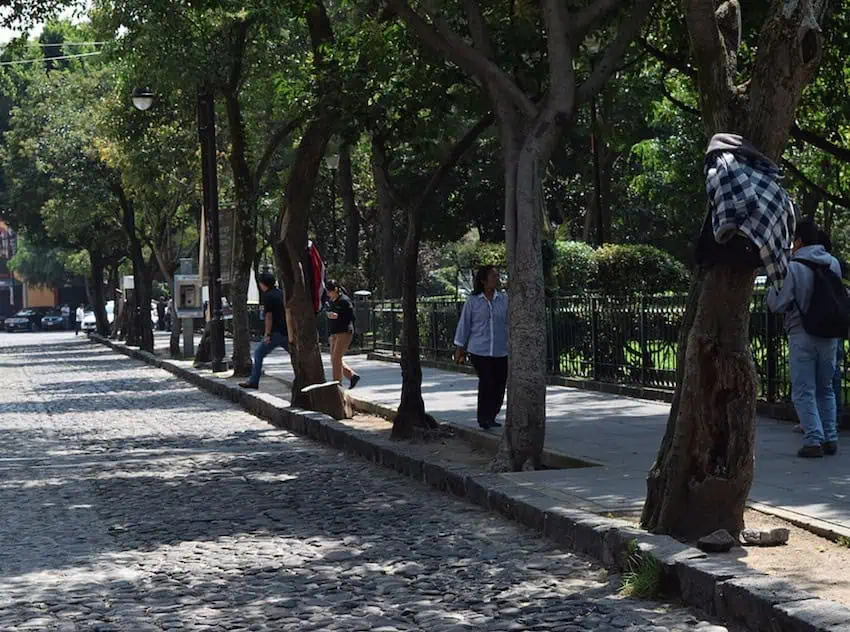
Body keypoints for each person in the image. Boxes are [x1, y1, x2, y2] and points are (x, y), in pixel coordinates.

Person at [767, 219, 843, 457]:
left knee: (803, 389)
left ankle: (813, 439)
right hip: (830, 333)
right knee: (826, 387)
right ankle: (830, 437)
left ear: (798, 241)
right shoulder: (833, 263)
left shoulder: (794, 266)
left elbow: (779, 303)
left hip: (802, 332)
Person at [453, 265, 508, 430]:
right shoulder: (473, 301)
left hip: (500, 350)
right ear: (484, 280)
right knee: (486, 382)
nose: (496, 279)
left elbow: (509, 323)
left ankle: (492, 415)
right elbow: (465, 325)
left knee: (499, 384)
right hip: (479, 350)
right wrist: (459, 348)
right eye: (493, 276)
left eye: (497, 276)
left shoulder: (504, 299)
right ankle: (483, 417)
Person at [239, 272, 289, 390]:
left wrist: (267, 334)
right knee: (294, 355)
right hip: (286, 331)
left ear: (263, 284)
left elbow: (268, 317)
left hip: (275, 332)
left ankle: (253, 380)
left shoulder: (268, 296)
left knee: (258, 354)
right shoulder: (281, 293)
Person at [326, 280, 360, 388]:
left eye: (330, 291)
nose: (329, 293)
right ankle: (352, 376)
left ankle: (337, 384)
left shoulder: (344, 301)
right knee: (333, 358)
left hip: (344, 332)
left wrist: (338, 316)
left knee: (336, 358)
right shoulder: (332, 301)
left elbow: (350, 316)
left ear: (336, 290)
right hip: (334, 333)